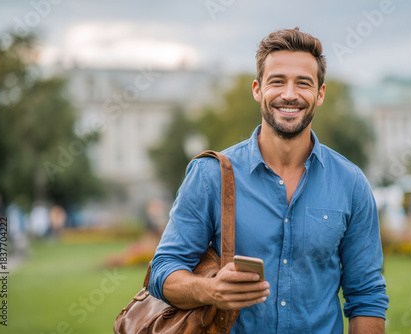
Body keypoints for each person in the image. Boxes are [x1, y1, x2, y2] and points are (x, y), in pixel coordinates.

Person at [149, 27, 389, 333]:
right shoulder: (210, 175)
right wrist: (209, 291)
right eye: (277, 81)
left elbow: (366, 296)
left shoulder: (351, 183)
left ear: (320, 94)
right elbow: (163, 270)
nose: (289, 94)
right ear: (257, 89)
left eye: (303, 83)